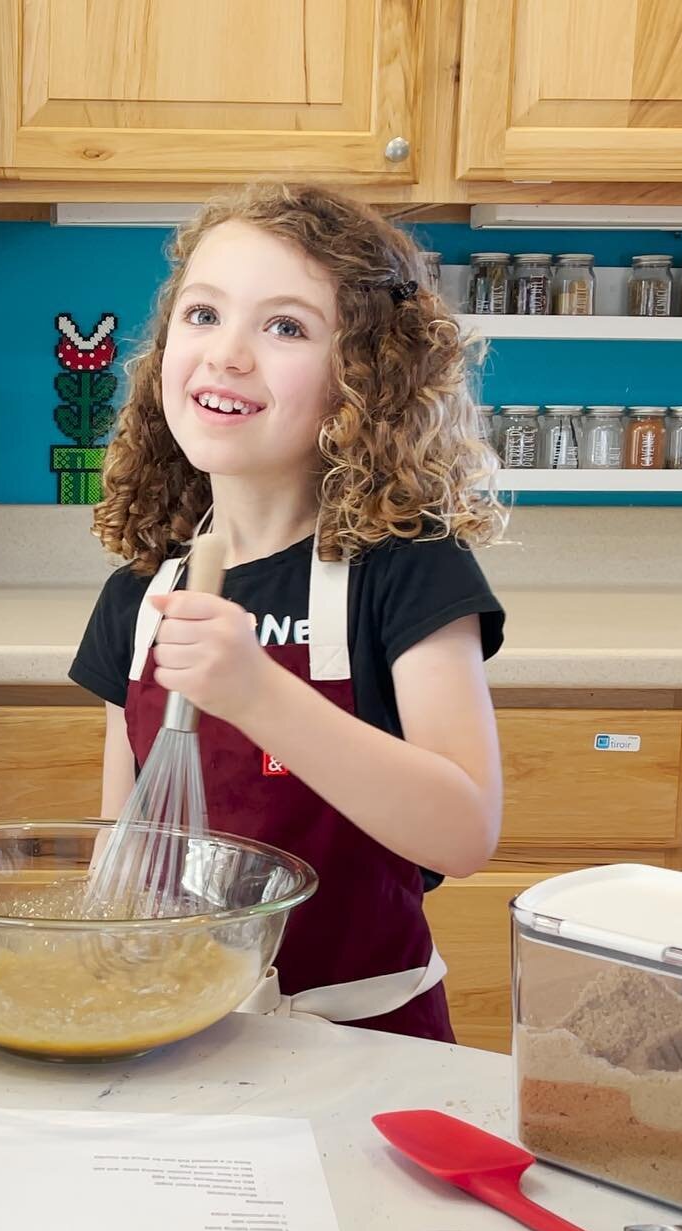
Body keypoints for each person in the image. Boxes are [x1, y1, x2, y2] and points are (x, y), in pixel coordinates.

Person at [69, 184, 507, 1042]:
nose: (228, 354)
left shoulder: (407, 573)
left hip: (368, 1050)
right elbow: (123, 840)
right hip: (179, 1035)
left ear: (365, 381)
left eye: (286, 327)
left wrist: (258, 691)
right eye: (202, 314)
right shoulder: (144, 594)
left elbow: (463, 832)